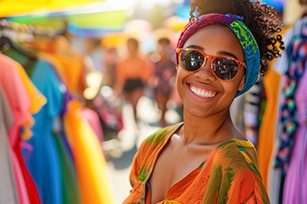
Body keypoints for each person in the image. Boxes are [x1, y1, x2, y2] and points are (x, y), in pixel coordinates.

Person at [123, 0, 283, 203]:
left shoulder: (236, 172)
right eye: (193, 58)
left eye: (225, 65)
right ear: (178, 62)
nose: (205, 74)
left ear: (242, 80)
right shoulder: (152, 145)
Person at [115, 37, 153, 125]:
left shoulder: (142, 58)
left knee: (135, 103)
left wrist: (147, 82)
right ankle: (135, 120)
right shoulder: (123, 60)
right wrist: (118, 88)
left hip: (137, 82)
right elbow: (121, 75)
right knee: (131, 105)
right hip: (128, 83)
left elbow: (147, 72)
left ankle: (136, 120)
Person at [150, 37, 177, 127]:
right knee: (161, 106)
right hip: (158, 87)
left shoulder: (172, 61)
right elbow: (151, 74)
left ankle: (163, 123)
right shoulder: (155, 61)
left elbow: (176, 73)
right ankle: (162, 122)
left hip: (167, 87)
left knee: (164, 107)